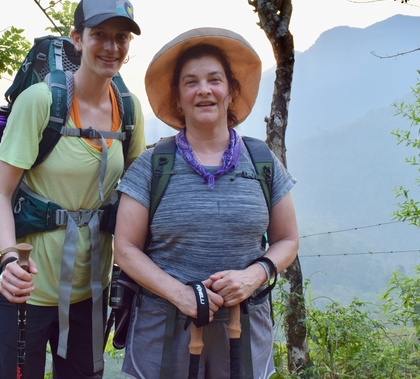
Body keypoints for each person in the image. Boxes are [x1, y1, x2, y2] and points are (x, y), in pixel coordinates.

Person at [114, 27, 299, 379]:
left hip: (243, 327)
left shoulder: (261, 160)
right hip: (164, 328)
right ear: (178, 97)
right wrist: (181, 294)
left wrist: (253, 275)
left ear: (231, 91)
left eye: (215, 80)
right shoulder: (154, 165)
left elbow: (288, 240)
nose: (204, 90)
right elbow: (124, 248)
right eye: (190, 82)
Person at [0, 0, 146, 379]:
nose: (112, 47)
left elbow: (138, 197)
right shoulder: (41, 102)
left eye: (121, 38)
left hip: (89, 294)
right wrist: (8, 259)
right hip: (25, 291)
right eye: (100, 35)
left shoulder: (129, 110)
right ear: (77, 39)